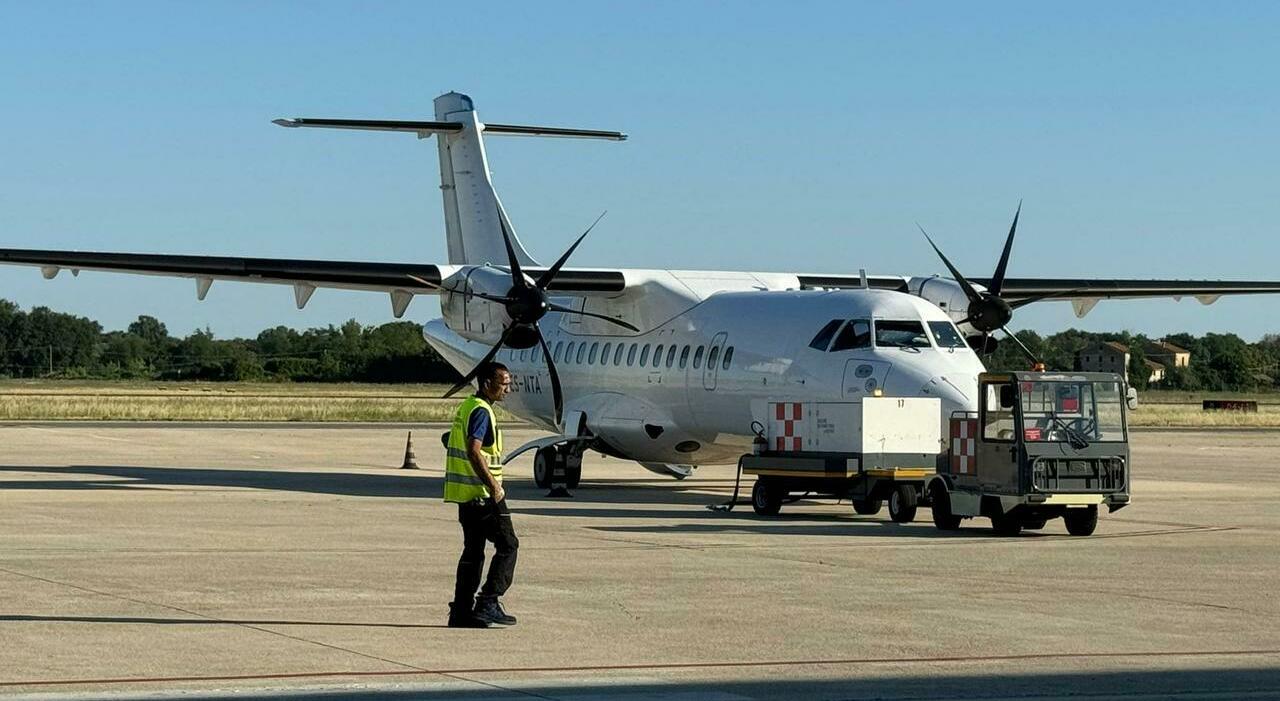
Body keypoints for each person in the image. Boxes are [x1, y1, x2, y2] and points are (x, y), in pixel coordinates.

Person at [444, 362, 519, 628]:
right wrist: (494, 486)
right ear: (487, 383)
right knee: (509, 545)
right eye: (504, 383)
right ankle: (489, 601)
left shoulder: (467, 406)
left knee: (473, 552)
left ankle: (462, 611)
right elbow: (474, 450)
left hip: (466, 496)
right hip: (484, 495)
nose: (507, 389)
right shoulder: (482, 412)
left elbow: (451, 439)